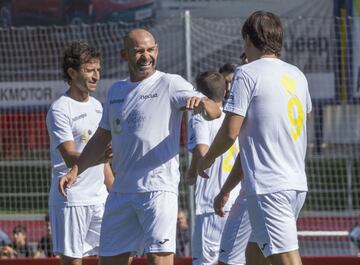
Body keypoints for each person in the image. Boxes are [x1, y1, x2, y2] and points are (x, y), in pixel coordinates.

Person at [58, 28, 221, 265]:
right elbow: (101, 138)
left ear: (157, 50)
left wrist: (205, 106)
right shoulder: (116, 91)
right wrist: (75, 170)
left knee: (158, 258)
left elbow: (214, 109)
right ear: (124, 55)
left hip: (158, 190)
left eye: (150, 50)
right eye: (138, 51)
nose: (146, 56)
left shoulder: (170, 83)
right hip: (121, 192)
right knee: (109, 260)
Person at [198, 10, 312, 265]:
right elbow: (304, 120)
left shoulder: (246, 73)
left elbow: (230, 132)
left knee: (287, 259)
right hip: (295, 184)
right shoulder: (297, 75)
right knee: (254, 255)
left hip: (269, 188)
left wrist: (206, 160)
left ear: (248, 39)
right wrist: (227, 189)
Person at [46, 40, 114, 265]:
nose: (96, 76)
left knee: (119, 251)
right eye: (89, 70)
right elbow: (69, 155)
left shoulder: (98, 106)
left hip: (100, 198)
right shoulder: (60, 108)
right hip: (71, 199)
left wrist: (115, 190)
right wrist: (103, 156)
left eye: (98, 70)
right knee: (74, 262)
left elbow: (104, 163)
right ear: (72, 73)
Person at [186, 70, 241, 265]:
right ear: (225, 93)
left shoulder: (200, 118)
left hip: (211, 203)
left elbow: (202, 151)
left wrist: (192, 171)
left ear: (201, 96)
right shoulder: (232, 121)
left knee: (205, 261)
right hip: (234, 201)